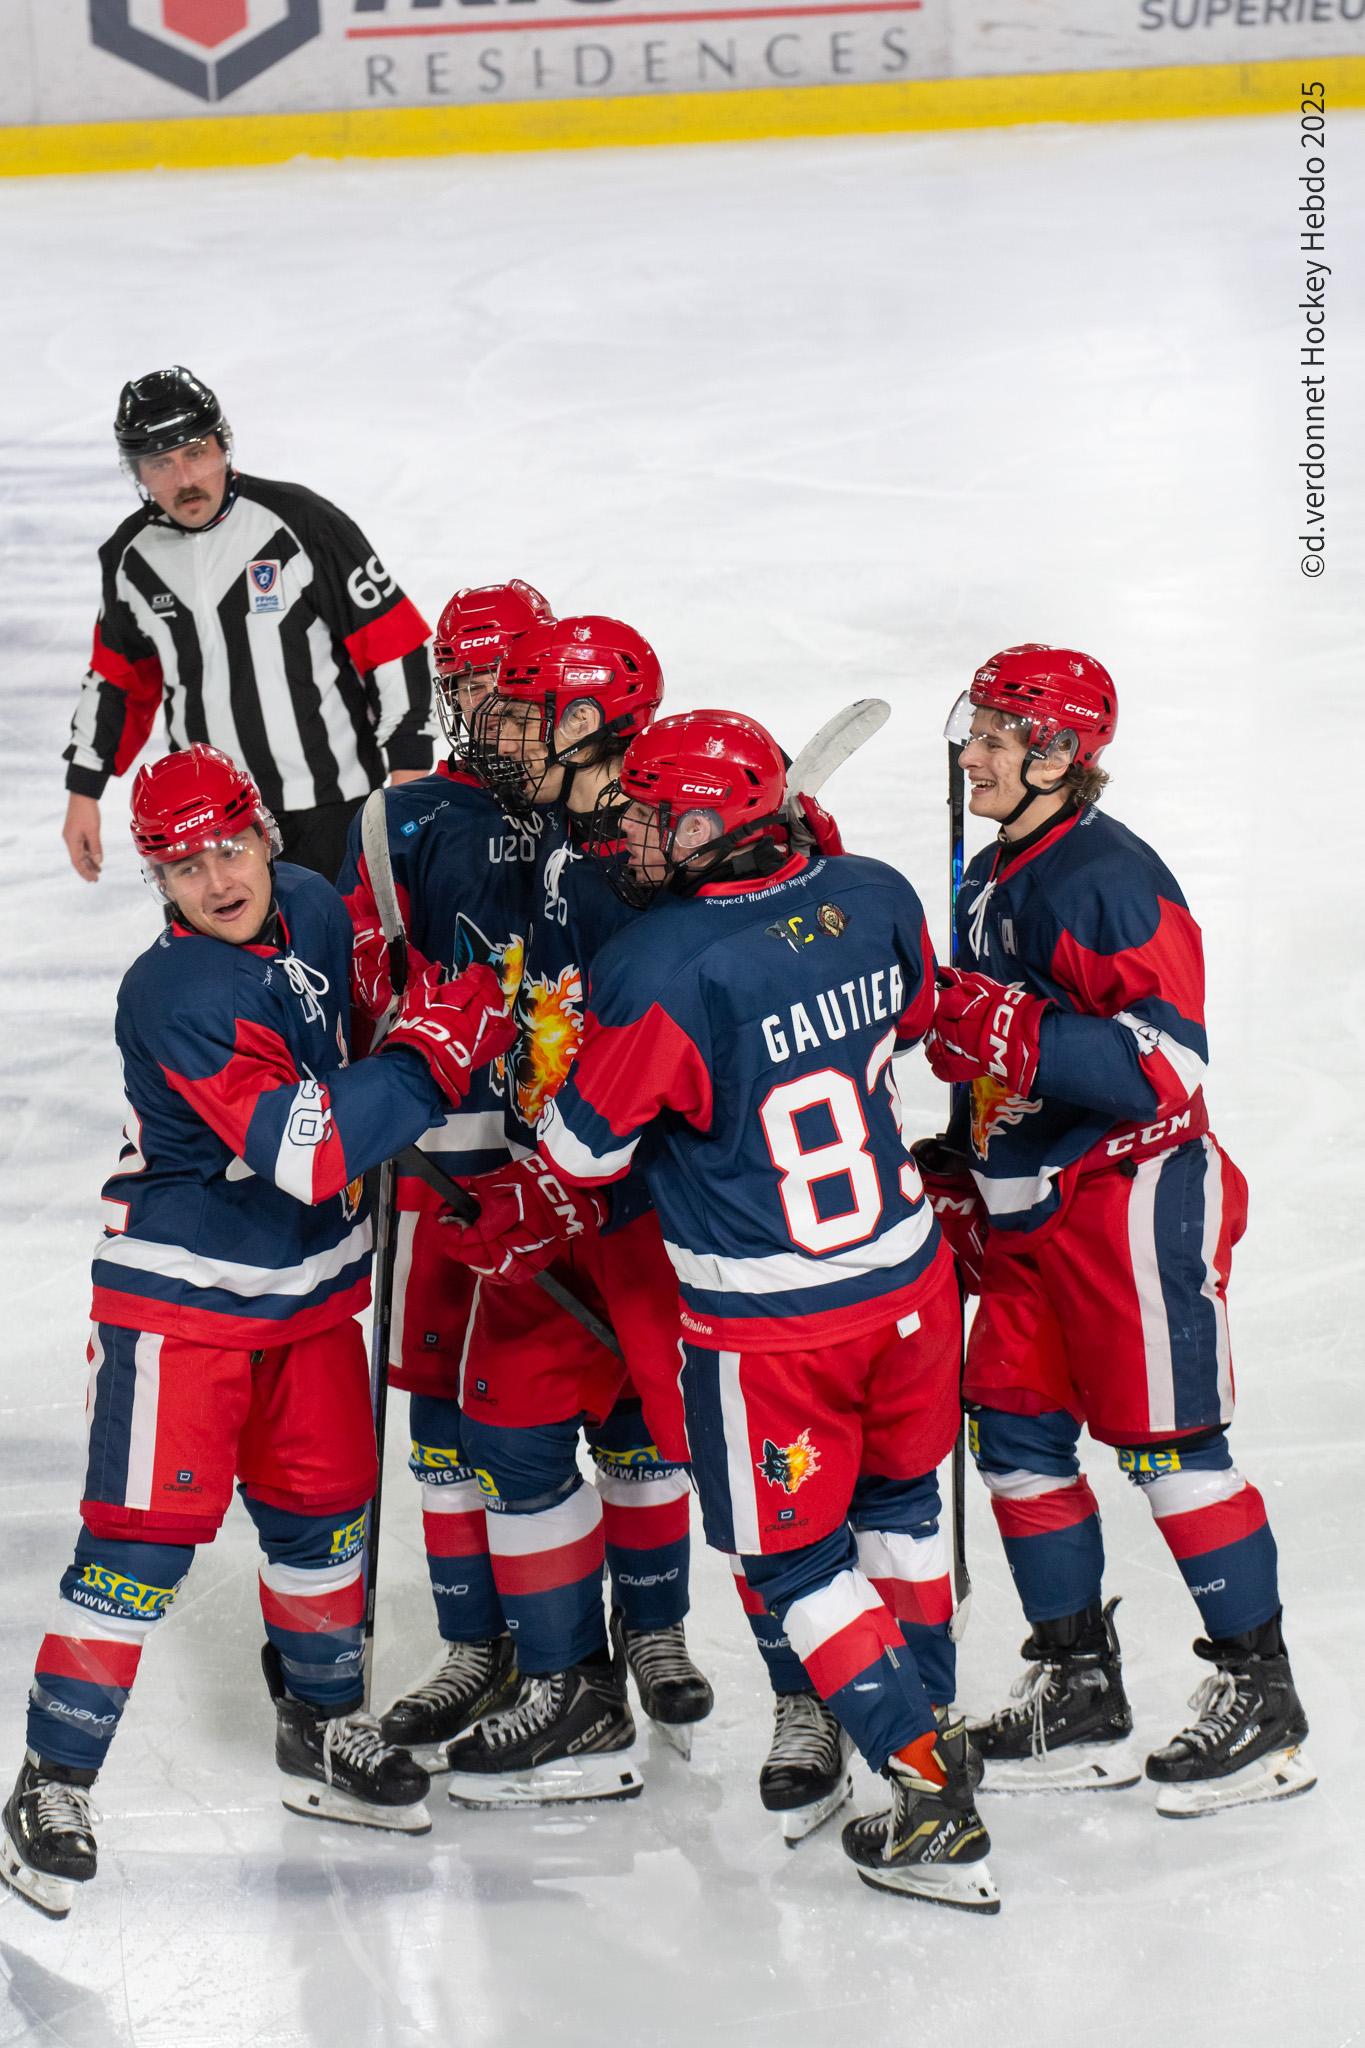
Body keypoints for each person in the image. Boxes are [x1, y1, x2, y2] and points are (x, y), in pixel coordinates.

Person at [440, 708, 999, 1911]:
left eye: (650, 812)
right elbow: (907, 1027)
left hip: (771, 1331)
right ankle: (930, 1712)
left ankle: (924, 1781)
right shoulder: (877, 890)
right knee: (901, 1517)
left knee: (796, 1559)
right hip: (905, 1285)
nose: (627, 830)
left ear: (707, 826)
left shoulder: (658, 965)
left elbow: (584, 1151)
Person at [0, 745, 514, 1921]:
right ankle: (50, 1782)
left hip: (319, 1293)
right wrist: (435, 1051)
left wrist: (420, 1001)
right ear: (157, 879)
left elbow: (356, 1024)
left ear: (267, 833)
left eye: (229, 846)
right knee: (138, 1551)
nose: (216, 878)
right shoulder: (173, 991)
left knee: (323, 1530)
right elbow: (308, 1151)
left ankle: (323, 1730)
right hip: (185, 1309)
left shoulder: (318, 908)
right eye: (183, 864)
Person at [920, 643, 1313, 1817]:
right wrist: (963, 1150)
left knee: (1171, 1448)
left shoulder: (1106, 879)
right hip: (1034, 1202)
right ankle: (1079, 1683)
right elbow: (997, 1042)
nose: (972, 751)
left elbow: (1168, 1064)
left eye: (997, 734)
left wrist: (1005, 1030)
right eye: (976, 727)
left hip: (1131, 1203)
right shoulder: (998, 862)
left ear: (1060, 756)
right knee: (1016, 1437)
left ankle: (1264, 1693)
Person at [430, 616, 715, 1807]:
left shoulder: (653, 860)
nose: (502, 725)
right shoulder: (558, 828)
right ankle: (568, 1678)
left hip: (637, 1202)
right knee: (509, 1424)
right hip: (555, 1179)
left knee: (663, 1429)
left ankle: (669, 1644)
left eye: (529, 707)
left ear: (593, 727)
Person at [336, 580, 552, 1767]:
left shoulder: (601, 804)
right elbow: (372, 983)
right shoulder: (404, 815)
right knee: (442, 1409)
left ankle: (629, 1636)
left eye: (509, 682)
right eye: (465, 683)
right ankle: (477, 1641)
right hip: (446, 1155)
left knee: (608, 1402)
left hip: (584, 1152)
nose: (484, 706)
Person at [62, 366, 435, 887]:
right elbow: (118, 680)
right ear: (138, 473)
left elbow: (395, 646)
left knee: (348, 958)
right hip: (209, 822)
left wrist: (409, 774)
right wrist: (84, 790)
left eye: (196, 452)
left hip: (333, 805)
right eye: (161, 463)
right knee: (239, 966)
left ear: (223, 446)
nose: (185, 479)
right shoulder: (130, 558)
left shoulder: (300, 523)